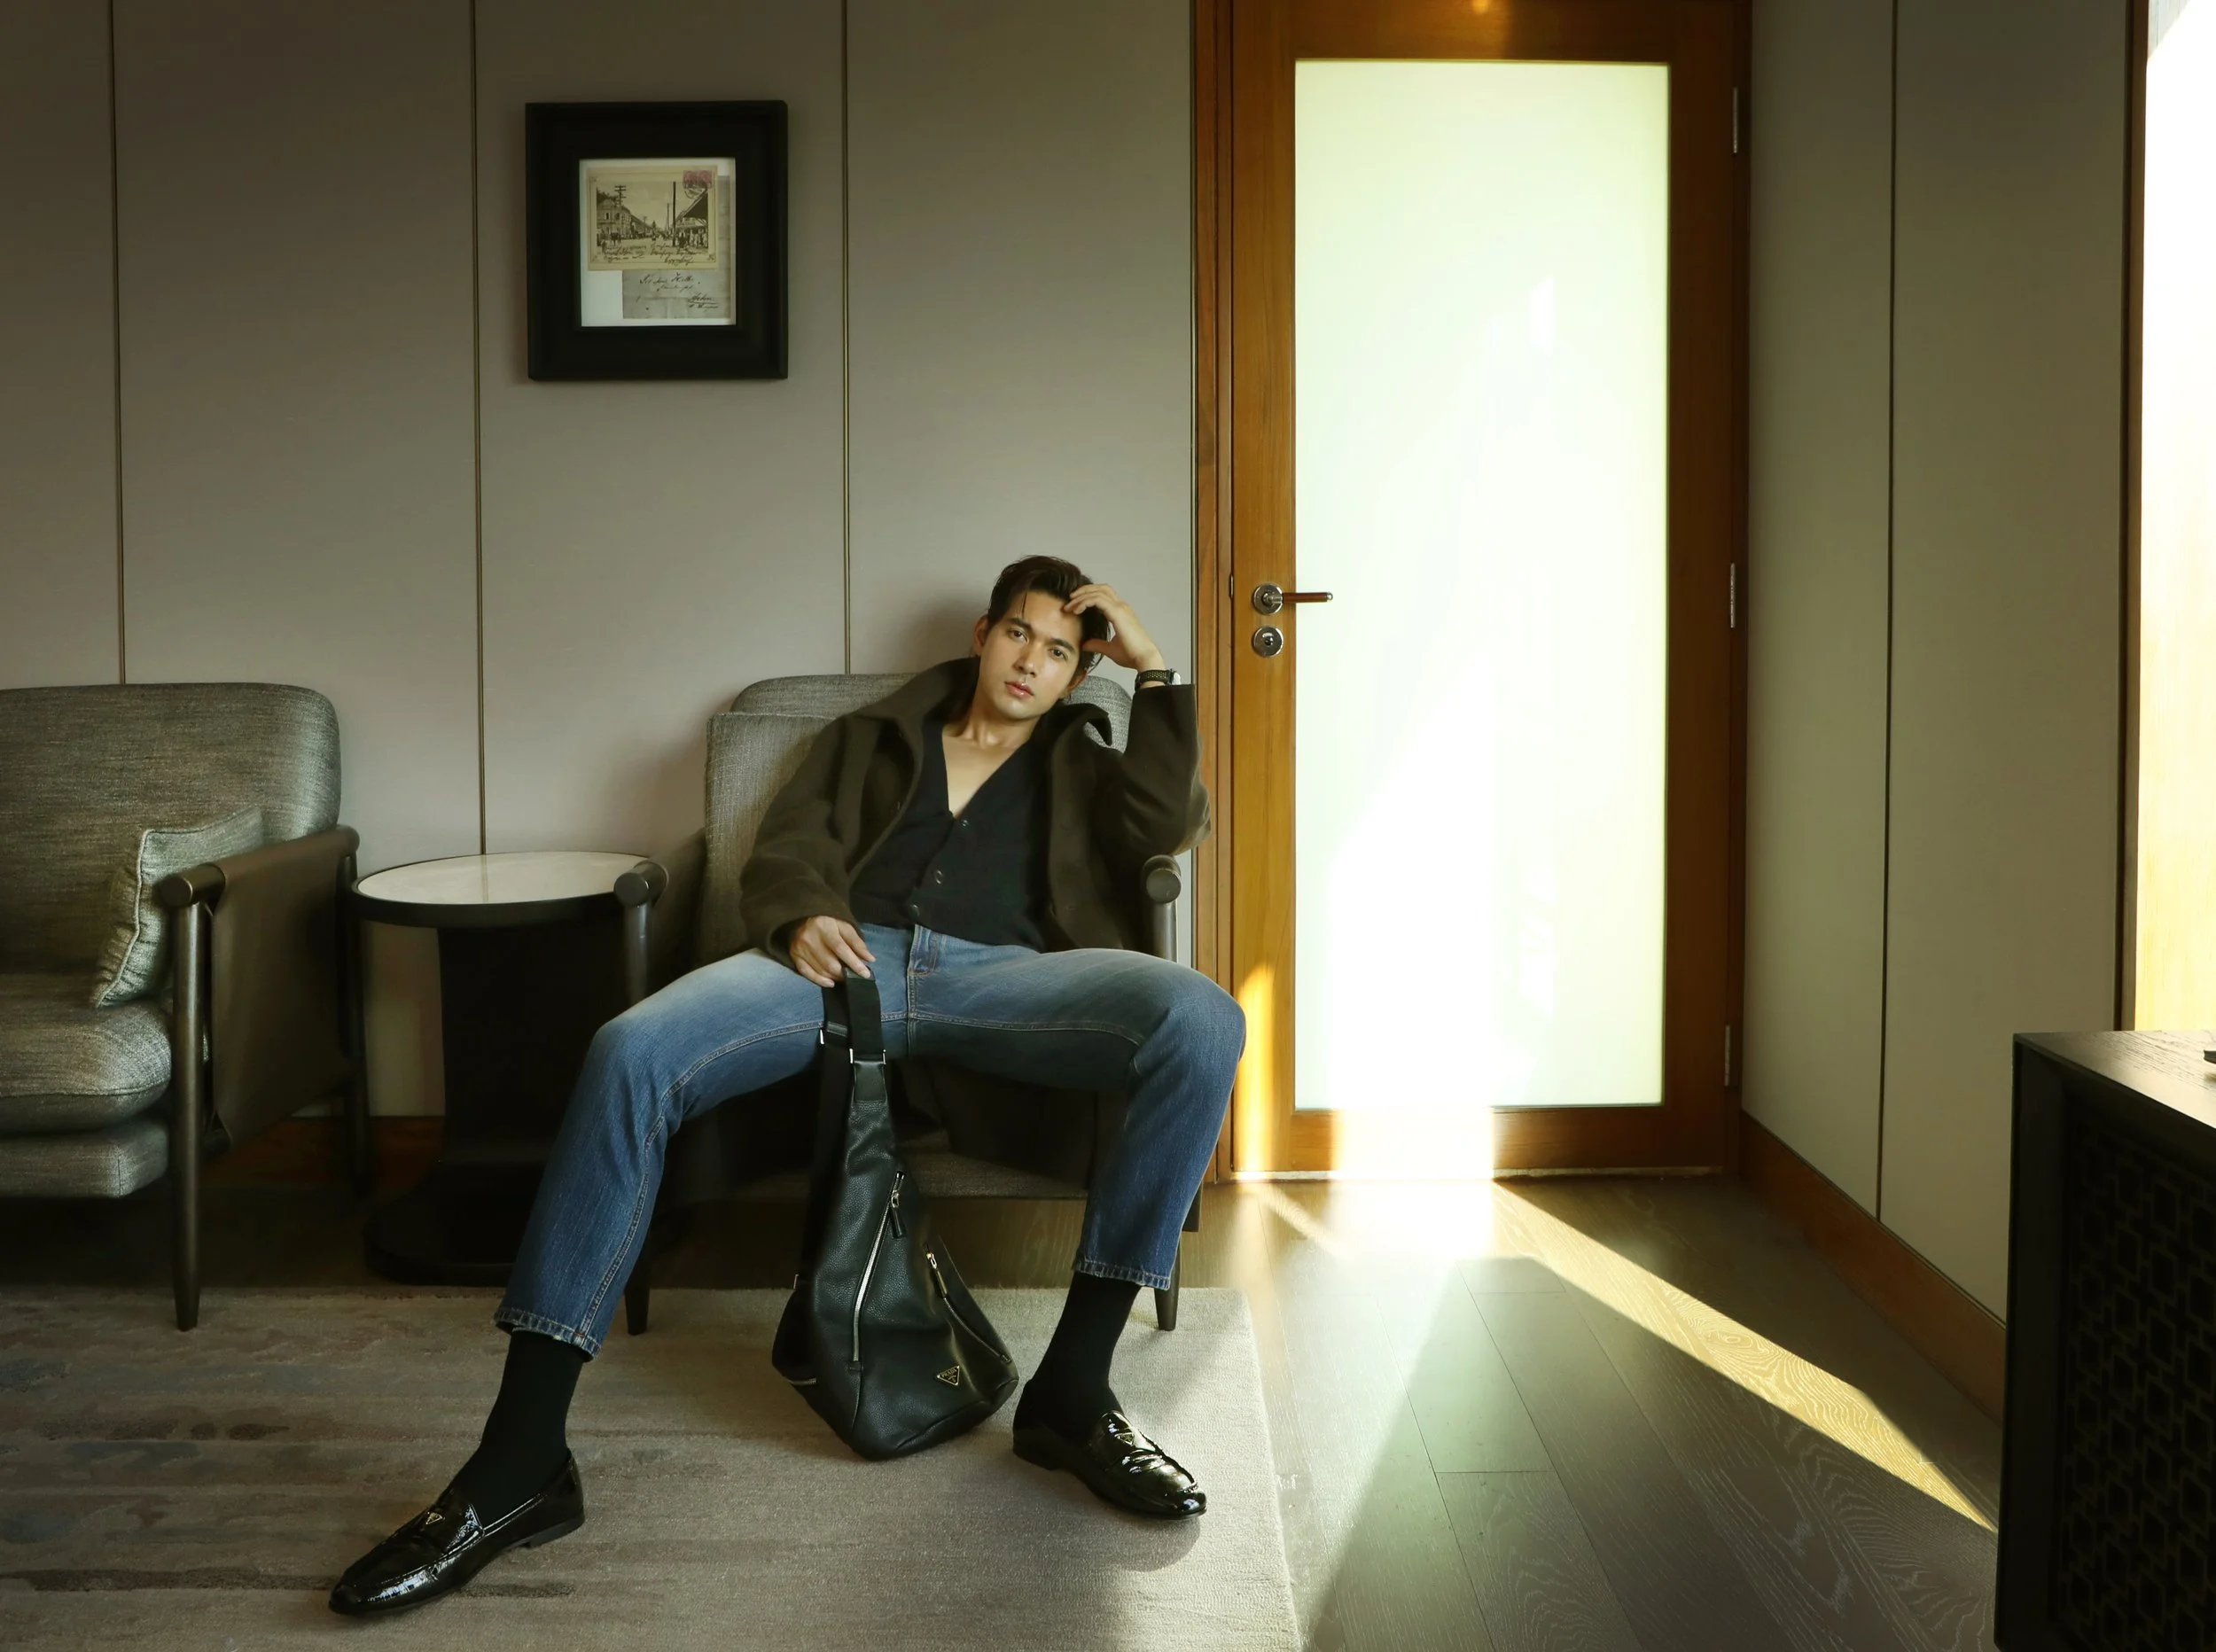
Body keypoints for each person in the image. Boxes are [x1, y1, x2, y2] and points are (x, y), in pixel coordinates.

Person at [329, 555, 1247, 1616]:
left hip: (1006, 979)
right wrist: (801, 912)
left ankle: (1073, 1393)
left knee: (1204, 1018)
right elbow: (790, 843)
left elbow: (1166, 827)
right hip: (841, 969)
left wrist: (1153, 668)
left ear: (1079, 670)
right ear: (983, 633)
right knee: (629, 1051)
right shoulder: (872, 736)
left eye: (1058, 651)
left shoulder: (1083, 758)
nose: (1029, 663)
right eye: (1017, 635)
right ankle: (520, 1457)